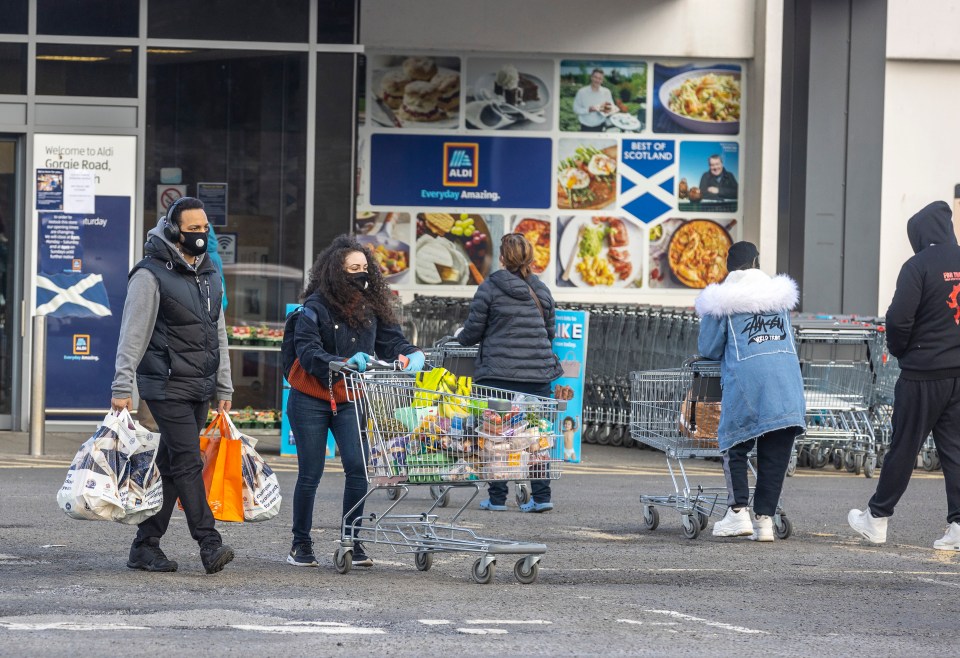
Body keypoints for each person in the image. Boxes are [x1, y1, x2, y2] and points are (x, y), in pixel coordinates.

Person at [111, 196, 235, 574]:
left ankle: (145, 547)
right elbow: (132, 333)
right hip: (164, 385)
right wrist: (122, 386)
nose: (200, 235)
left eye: (204, 228)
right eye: (192, 229)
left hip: (198, 385)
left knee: (170, 467)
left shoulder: (209, 272)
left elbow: (218, 332)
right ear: (172, 230)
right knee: (187, 461)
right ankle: (209, 543)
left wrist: (224, 386)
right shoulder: (149, 275)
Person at [285, 235, 425, 568]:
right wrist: (342, 362)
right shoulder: (314, 308)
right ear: (336, 272)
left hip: (349, 398)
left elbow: (393, 343)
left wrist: (411, 355)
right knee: (310, 473)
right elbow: (307, 353)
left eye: (365, 268)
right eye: (353, 269)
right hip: (311, 397)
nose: (361, 274)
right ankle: (300, 544)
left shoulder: (371, 308)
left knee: (358, 469)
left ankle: (353, 541)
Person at [849, 201, 960, 551]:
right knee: (956, 450)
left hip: (923, 373)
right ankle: (958, 525)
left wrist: (901, 352)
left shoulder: (918, 266)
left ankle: (877, 518)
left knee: (904, 446)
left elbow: (898, 320)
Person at [695, 241, 805, 541]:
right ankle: (765, 521)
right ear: (756, 262)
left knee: (736, 443)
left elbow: (708, 348)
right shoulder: (778, 298)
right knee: (776, 450)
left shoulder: (722, 301)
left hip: (748, 380)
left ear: (728, 267)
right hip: (787, 382)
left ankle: (737, 513)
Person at [457, 233, 564, 512]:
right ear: (530, 257)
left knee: (498, 437)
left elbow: (472, 332)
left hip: (498, 375)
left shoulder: (489, 287)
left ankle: (497, 499)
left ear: (503, 258)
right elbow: (549, 332)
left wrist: (459, 337)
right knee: (537, 435)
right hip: (537, 375)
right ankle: (541, 498)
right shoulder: (541, 290)